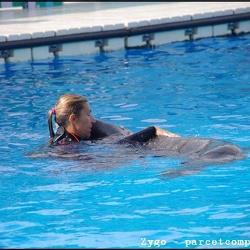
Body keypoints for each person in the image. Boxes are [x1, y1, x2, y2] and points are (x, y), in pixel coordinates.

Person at [47, 93, 180, 146]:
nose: (93, 120)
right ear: (73, 119)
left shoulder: (62, 139)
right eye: (88, 115)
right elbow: (119, 148)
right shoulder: (70, 149)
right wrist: (153, 130)